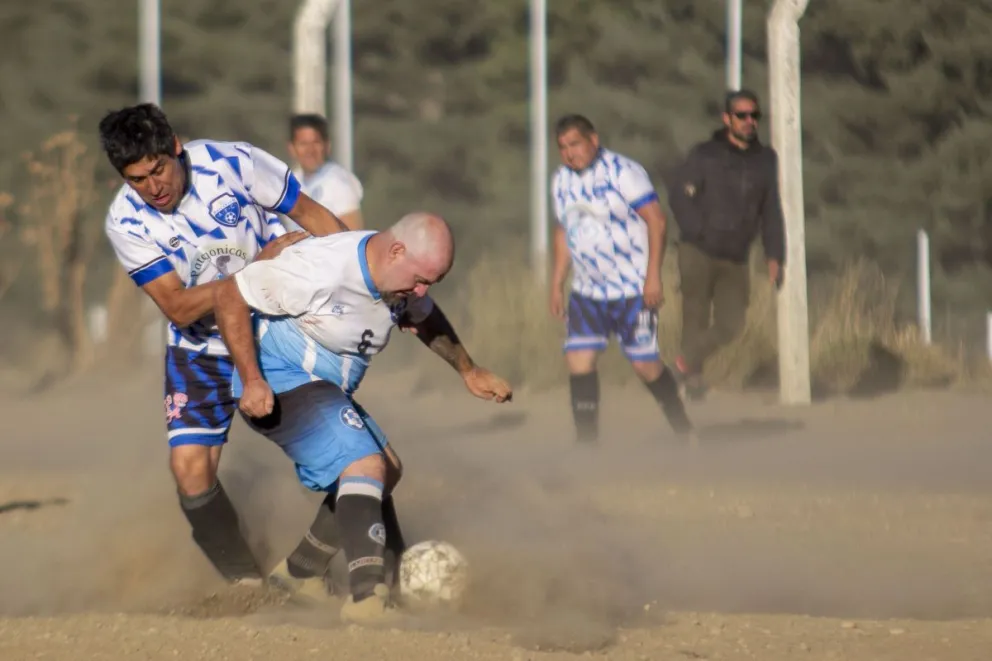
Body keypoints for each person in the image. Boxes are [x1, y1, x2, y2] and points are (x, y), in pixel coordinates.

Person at [212, 212, 513, 623]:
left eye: (432, 282)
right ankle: (367, 598)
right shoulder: (323, 268)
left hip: (324, 389)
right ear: (396, 250)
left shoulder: (398, 279)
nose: (422, 290)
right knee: (365, 465)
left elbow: (426, 316)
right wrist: (251, 379)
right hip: (280, 383)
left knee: (387, 470)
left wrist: (468, 369)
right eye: (421, 279)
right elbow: (229, 294)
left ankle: (301, 572)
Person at [99, 102, 350, 587]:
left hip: (278, 334)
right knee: (189, 470)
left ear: (175, 147)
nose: (155, 188)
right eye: (137, 180)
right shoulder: (126, 222)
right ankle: (246, 584)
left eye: (158, 170)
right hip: (200, 349)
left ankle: (313, 569)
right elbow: (176, 306)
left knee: (348, 458)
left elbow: (312, 214)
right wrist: (256, 270)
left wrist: (363, 273)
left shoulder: (234, 163)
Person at [549, 114, 692, 444]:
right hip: (587, 290)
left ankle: (683, 429)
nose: (570, 153)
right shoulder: (561, 181)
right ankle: (587, 443)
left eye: (575, 144)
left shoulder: (623, 172)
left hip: (631, 288)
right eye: (563, 148)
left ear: (593, 141)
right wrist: (557, 282)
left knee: (645, 365)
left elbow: (656, 221)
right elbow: (563, 231)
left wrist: (652, 277)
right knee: (579, 358)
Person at [665, 89, 786, 399]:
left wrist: (775, 254)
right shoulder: (705, 154)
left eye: (754, 116)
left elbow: (771, 208)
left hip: (736, 254)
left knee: (732, 323)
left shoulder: (766, 160)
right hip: (698, 250)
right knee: (695, 314)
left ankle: (684, 363)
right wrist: (698, 229)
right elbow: (680, 195)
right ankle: (692, 382)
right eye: (742, 116)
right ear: (727, 119)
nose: (749, 122)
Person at [282, 113, 364, 232]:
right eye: (303, 144)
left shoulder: (339, 182)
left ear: (327, 146)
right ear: (292, 148)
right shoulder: (290, 181)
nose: (310, 150)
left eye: (316, 142)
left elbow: (353, 237)